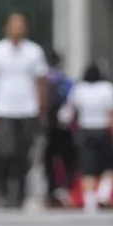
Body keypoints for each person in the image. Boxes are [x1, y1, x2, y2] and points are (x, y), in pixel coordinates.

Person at [0, 12, 49, 208]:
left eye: (21, 25)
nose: (18, 29)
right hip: (2, 108)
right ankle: (0, 187)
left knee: (23, 153)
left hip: (27, 109)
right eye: (14, 25)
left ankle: (18, 193)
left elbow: (41, 82)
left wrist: (42, 110)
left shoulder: (35, 52)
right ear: (7, 28)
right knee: (3, 151)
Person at [60, 64, 113, 213]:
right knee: (109, 166)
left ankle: (89, 202)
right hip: (103, 129)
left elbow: (69, 111)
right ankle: (103, 194)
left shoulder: (79, 89)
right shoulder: (108, 88)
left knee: (88, 168)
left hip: (85, 130)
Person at [41, 51, 77, 208]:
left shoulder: (44, 81)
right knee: (68, 160)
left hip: (47, 127)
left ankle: (51, 191)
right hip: (65, 128)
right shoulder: (66, 81)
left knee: (48, 160)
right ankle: (67, 189)